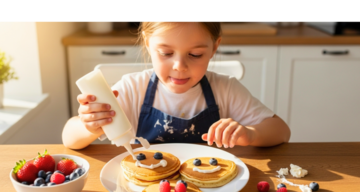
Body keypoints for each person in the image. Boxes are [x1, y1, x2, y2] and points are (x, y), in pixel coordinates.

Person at [62, 20, 290, 150]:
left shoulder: (225, 89)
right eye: (166, 53)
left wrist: (249, 134)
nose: (180, 66)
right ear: (148, 43)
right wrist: (89, 126)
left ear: (214, 47)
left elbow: (281, 131)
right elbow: (68, 138)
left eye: (195, 54)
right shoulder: (133, 88)